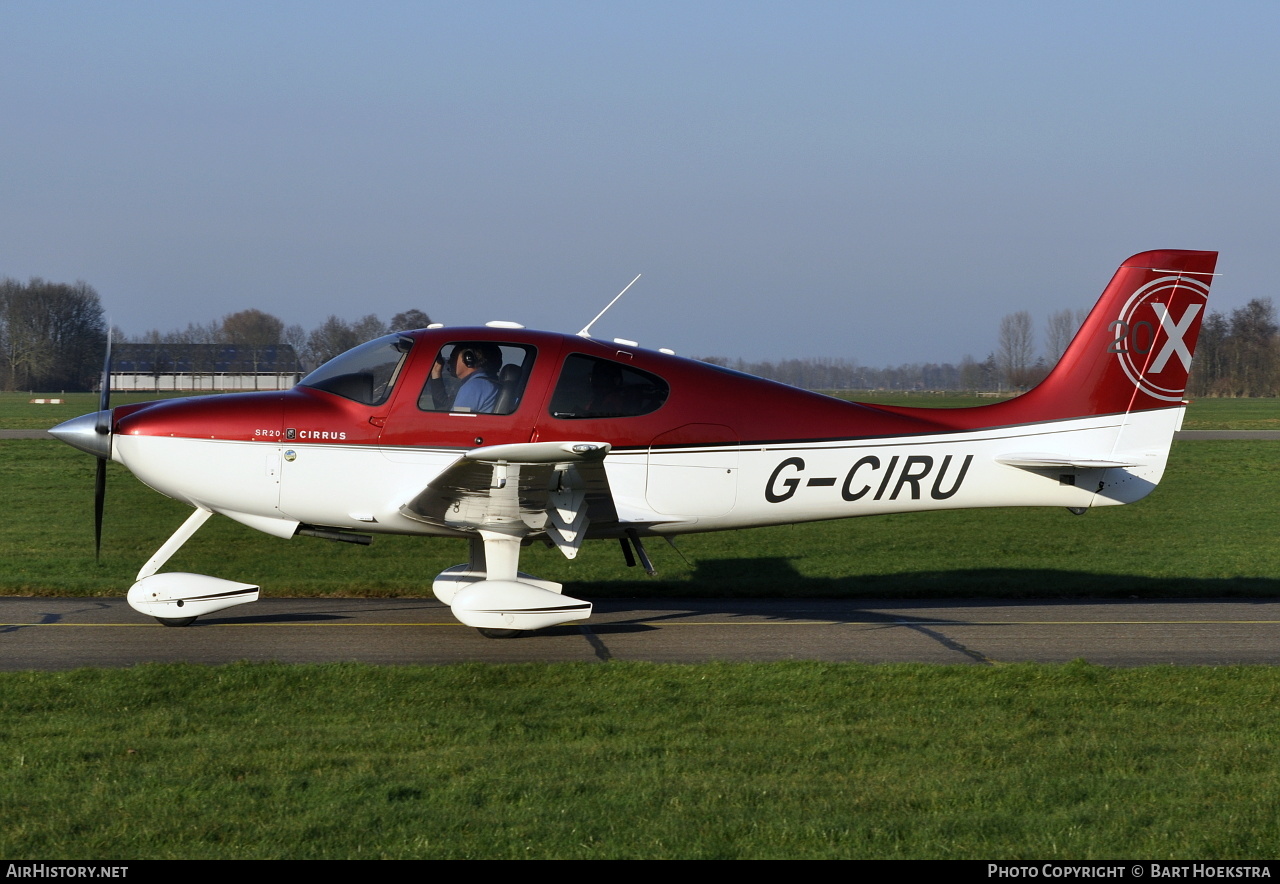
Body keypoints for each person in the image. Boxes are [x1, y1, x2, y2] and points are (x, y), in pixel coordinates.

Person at [427, 343, 502, 413]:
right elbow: (445, 408)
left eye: (453, 357)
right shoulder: (483, 384)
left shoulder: (474, 386)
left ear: (468, 359)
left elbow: (454, 421)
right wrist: (436, 372)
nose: (449, 361)